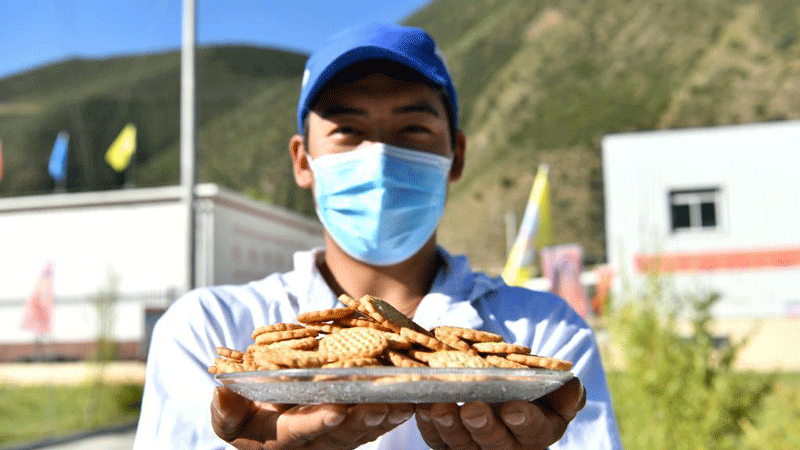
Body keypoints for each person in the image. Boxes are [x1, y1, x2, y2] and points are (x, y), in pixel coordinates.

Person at [133, 23, 622, 450]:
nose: (381, 157)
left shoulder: (547, 336)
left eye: (412, 128)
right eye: (349, 130)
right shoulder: (207, 331)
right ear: (303, 161)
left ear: (457, 156)